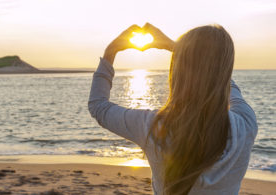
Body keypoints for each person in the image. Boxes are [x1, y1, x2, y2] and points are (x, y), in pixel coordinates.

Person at [88, 23, 258, 195]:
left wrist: (111, 50)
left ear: (177, 70)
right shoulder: (245, 124)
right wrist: (180, 50)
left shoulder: (153, 126)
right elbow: (226, 83)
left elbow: (99, 106)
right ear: (226, 69)